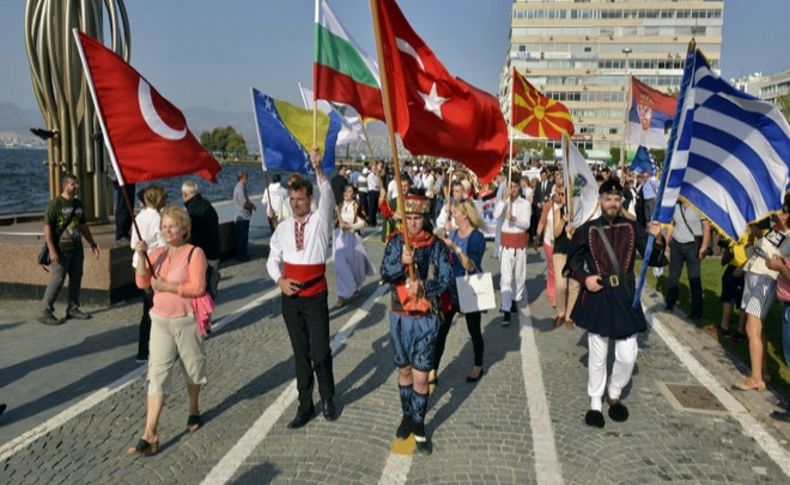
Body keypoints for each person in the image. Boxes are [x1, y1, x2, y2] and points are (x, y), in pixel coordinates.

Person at [565, 179, 663, 429]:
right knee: (597, 355)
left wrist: (656, 238)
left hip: (625, 295)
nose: (612, 203)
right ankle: (595, 401)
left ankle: (615, 391)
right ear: (600, 200)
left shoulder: (633, 228)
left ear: (621, 201)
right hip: (599, 294)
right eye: (608, 199)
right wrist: (585, 279)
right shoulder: (586, 230)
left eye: (616, 199)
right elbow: (571, 264)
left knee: (628, 355)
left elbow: (655, 259)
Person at [129, 205, 209, 456]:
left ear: (184, 229)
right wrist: (141, 256)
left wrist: (168, 286)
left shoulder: (194, 254)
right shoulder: (158, 254)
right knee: (157, 373)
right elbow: (142, 282)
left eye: (172, 226)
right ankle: (149, 433)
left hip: (186, 319)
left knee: (193, 369)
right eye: (164, 227)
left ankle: (194, 408)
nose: (167, 230)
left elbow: (197, 287)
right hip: (160, 321)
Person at [266, 148, 337, 429]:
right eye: (292, 199)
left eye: (300, 199)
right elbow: (272, 260)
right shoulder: (282, 229)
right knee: (300, 355)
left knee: (320, 352)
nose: (295, 204)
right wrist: (280, 281)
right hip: (291, 300)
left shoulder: (320, 221)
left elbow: (328, 194)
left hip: (315, 296)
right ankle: (305, 406)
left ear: (310, 200)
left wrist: (318, 169)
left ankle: (329, 398)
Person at [380, 194, 453, 455]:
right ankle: (407, 416)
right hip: (400, 316)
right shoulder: (396, 242)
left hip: (425, 319)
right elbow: (384, 273)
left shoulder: (435, 245)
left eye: (417, 218)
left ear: (425, 218)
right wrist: (401, 262)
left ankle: (420, 424)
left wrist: (426, 285)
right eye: (408, 218)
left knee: (421, 377)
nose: (412, 224)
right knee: (405, 373)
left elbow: (446, 278)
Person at [733, 200, 790, 392]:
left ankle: (755, 378)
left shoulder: (788, 235)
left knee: (752, 327)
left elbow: (779, 260)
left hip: (767, 279)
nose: (777, 213)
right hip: (754, 274)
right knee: (757, 328)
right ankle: (762, 371)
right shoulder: (775, 229)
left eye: (782, 211)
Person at [433, 199, 487, 385]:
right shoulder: (454, 232)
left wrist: (454, 247)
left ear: (465, 214)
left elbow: (470, 265)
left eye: (456, 211)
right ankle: (433, 369)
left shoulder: (477, 237)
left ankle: (478, 365)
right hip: (451, 289)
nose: (453, 214)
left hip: (470, 287)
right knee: (441, 331)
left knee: (474, 331)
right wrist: (441, 237)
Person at [38, 173, 100, 326]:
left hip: (77, 249)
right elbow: (47, 230)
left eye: (77, 184)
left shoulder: (78, 204)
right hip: (61, 250)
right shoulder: (55, 204)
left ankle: (72, 309)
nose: (77, 186)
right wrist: (52, 250)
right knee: (58, 279)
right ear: (65, 186)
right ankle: (45, 311)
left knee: (76, 277)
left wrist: (92, 243)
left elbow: (83, 225)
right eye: (73, 184)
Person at [130, 185, 167, 362]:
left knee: (147, 308)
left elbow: (133, 243)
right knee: (156, 309)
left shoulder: (139, 216)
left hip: (139, 263)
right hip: (155, 267)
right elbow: (163, 245)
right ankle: (152, 349)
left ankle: (142, 351)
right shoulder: (157, 218)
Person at [664, 200, 711, 321]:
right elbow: (672, 225)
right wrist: (667, 243)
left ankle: (696, 311)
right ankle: (670, 303)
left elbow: (706, 226)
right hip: (676, 245)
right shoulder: (675, 206)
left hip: (692, 246)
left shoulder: (698, 205)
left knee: (694, 278)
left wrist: (704, 246)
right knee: (673, 275)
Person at [494, 175, 531, 325]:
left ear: (519, 188)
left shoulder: (525, 204)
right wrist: (503, 200)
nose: (513, 189)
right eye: (511, 186)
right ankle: (506, 309)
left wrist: (514, 218)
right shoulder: (504, 202)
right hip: (506, 245)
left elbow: (526, 224)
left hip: (520, 245)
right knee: (506, 278)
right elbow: (496, 214)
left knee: (519, 277)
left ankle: (515, 300)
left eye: (516, 186)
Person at [334, 184, 375, 307]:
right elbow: (333, 220)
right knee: (341, 266)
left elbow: (363, 223)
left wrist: (350, 226)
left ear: (354, 193)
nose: (347, 193)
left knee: (355, 266)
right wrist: (335, 219)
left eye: (350, 191)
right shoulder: (339, 206)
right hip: (339, 239)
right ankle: (341, 296)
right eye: (345, 190)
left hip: (352, 238)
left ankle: (354, 287)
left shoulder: (357, 205)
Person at [182, 180, 221, 298]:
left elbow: (191, 236)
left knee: (201, 287)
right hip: (214, 251)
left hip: (201, 254)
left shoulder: (192, 211)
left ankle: (203, 311)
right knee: (210, 285)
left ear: (185, 194)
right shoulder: (207, 205)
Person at [549, 186, 579, 328]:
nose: (562, 196)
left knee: (574, 285)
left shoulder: (579, 211)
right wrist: (562, 220)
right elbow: (555, 234)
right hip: (560, 250)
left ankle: (569, 315)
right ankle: (560, 312)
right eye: (560, 194)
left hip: (575, 252)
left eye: (564, 194)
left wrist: (574, 228)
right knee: (561, 285)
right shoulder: (557, 211)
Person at [233, 172, 256, 261]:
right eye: (246, 178)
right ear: (241, 178)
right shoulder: (240, 188)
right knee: (241, 237)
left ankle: (242, 254)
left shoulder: (241, 187)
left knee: (242, 237)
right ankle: (241, 256)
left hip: (243, 216)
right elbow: (244, 204)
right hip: (242, 216)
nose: (247, 180)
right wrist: (252, 206)